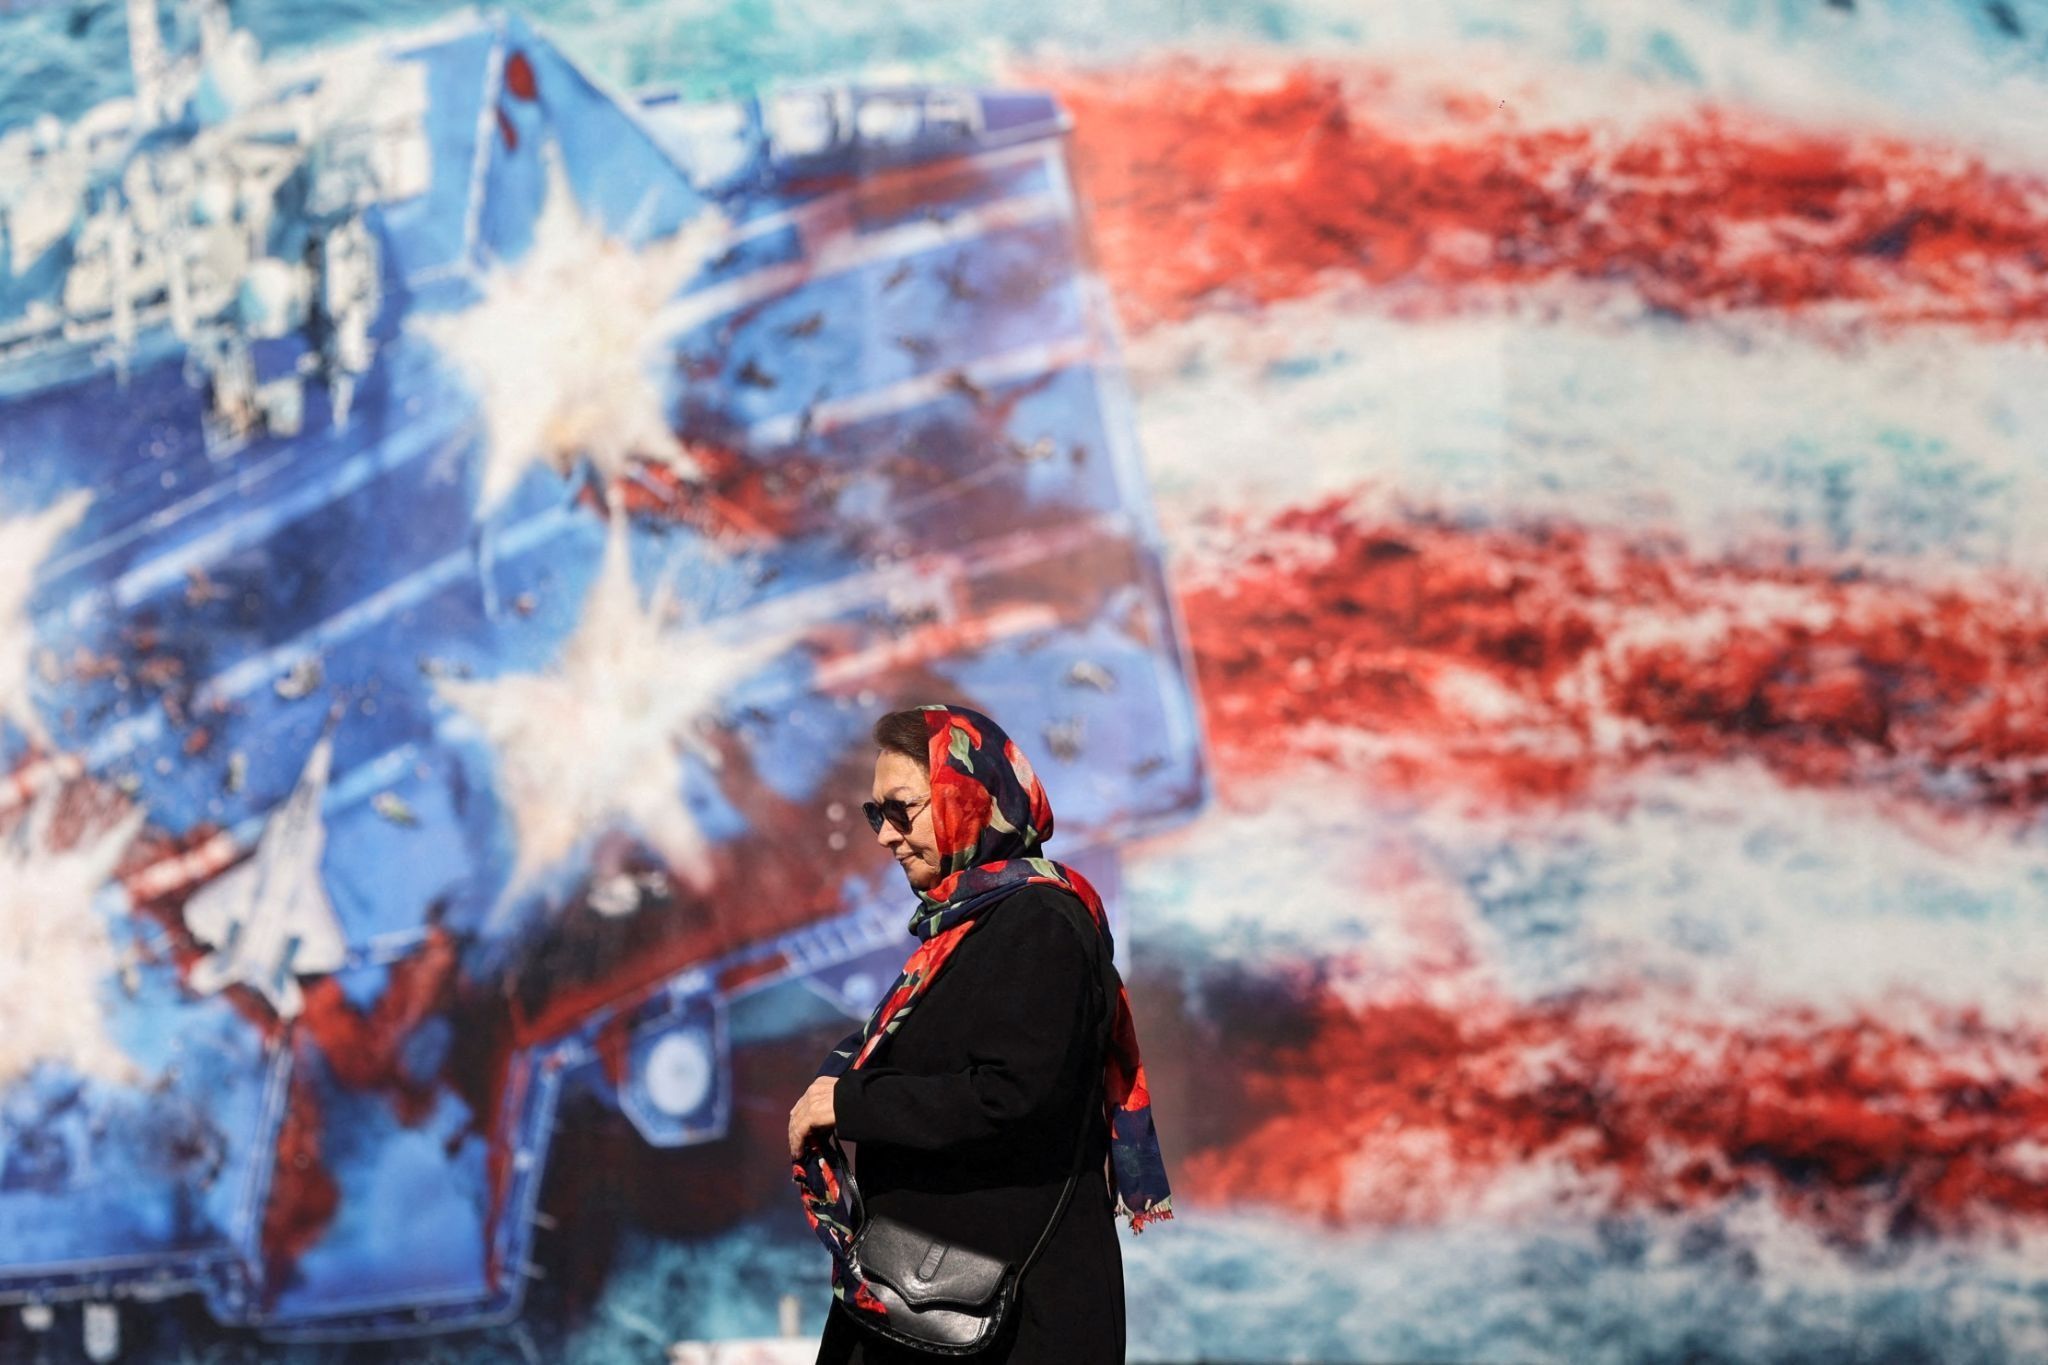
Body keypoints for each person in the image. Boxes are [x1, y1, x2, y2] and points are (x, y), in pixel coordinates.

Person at [790, 704, 1173, 1363]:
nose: (885, 834)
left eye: (901, 808)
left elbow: (1015, 1093)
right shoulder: (964, 928)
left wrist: (848, 1103)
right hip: (939, 1305)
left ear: (966, 797)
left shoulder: (1041, 921)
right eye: (874, 813)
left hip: (1010, 1321)